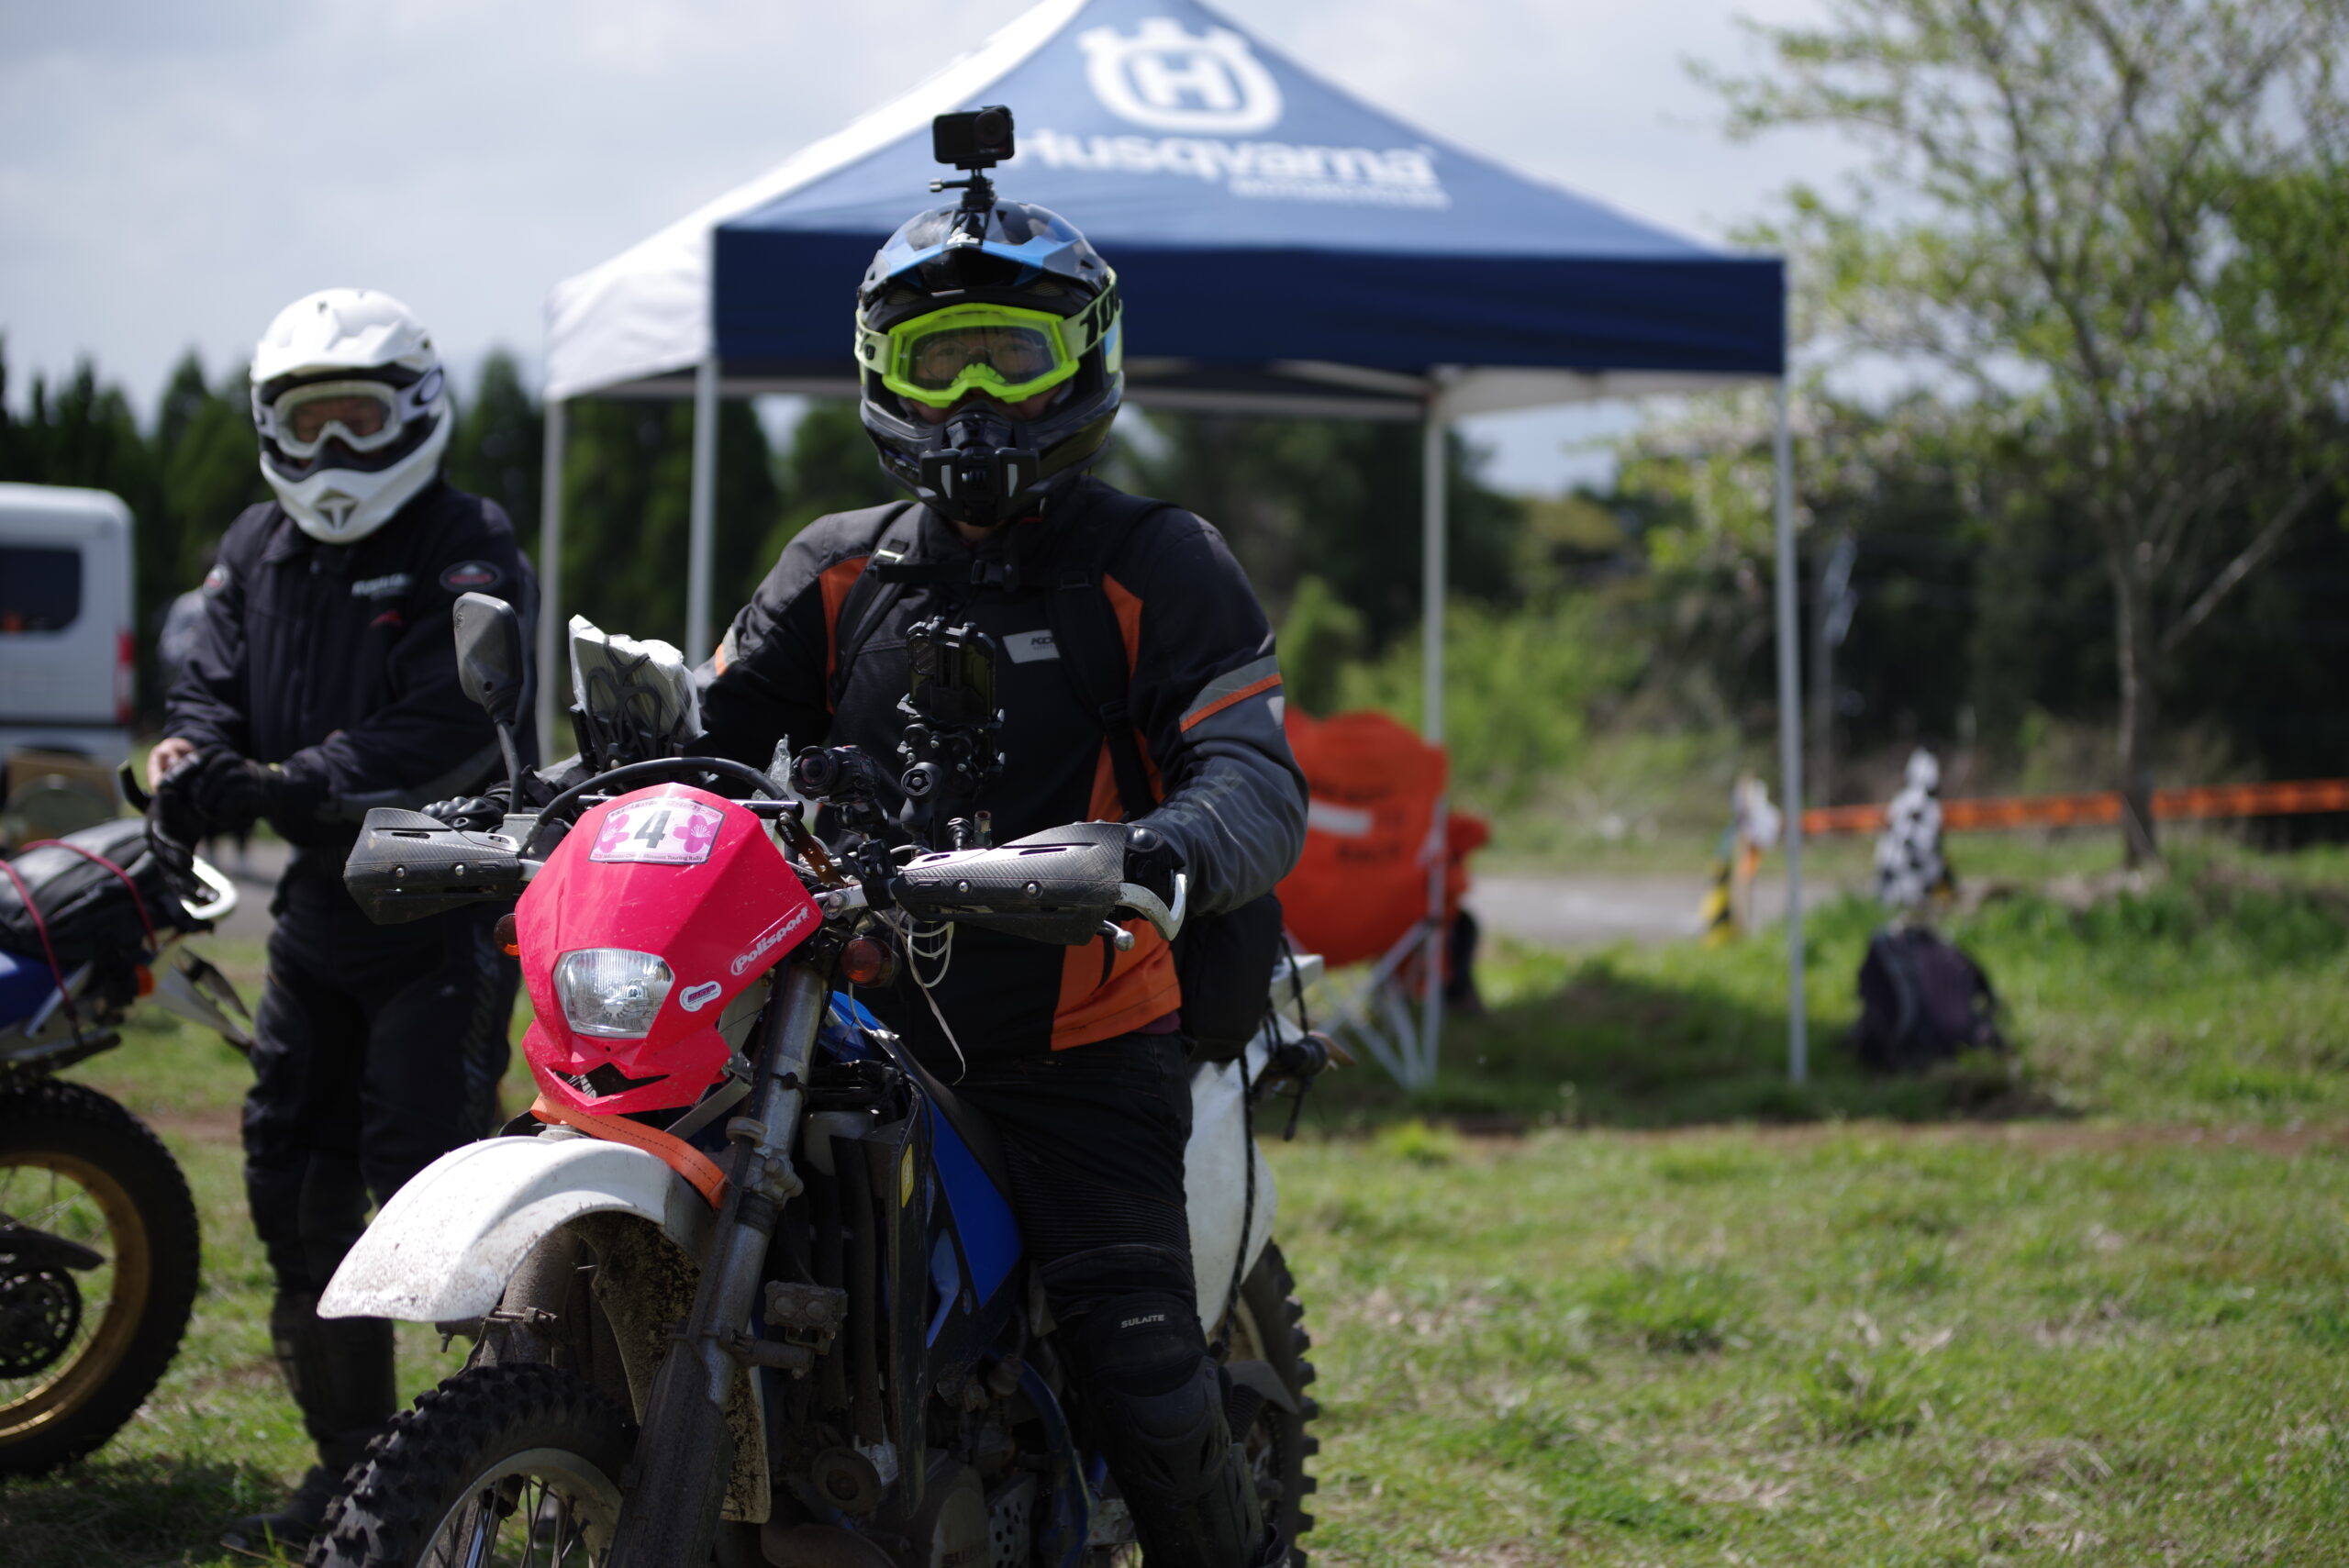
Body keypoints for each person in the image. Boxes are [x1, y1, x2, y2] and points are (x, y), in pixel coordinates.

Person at [693, 188, 1305, 1565]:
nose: (974, 402)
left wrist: (1158, 849)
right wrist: (574, 790)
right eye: (941, 361)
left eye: (1011, 359)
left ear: (1081, 363)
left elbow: (1256, 777)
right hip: (844, 1031)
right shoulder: (836, 570)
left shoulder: (1155, 563)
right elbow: (699, 745)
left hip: (1077, 1040)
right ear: (883, 373)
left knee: (1141, 1366)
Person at [151, 288, 535, 1559]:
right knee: (292, 1179)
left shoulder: (467, 539)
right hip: (314, 913)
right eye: (307, 421)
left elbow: (447, 728)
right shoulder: (257, 543)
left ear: (414, 414)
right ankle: (350, 1463)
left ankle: (517, 1455)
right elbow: (206, 682)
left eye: (356, 419)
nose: (329, 450)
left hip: (439, 905)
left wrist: (280, 784)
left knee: (437, 1185)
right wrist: (194, 759)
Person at [1875, 746, 1954, 912]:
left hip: (1896, 870)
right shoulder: (1930, 806)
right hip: (1910, 872)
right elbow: (1927, 844)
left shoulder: (1900, 800)